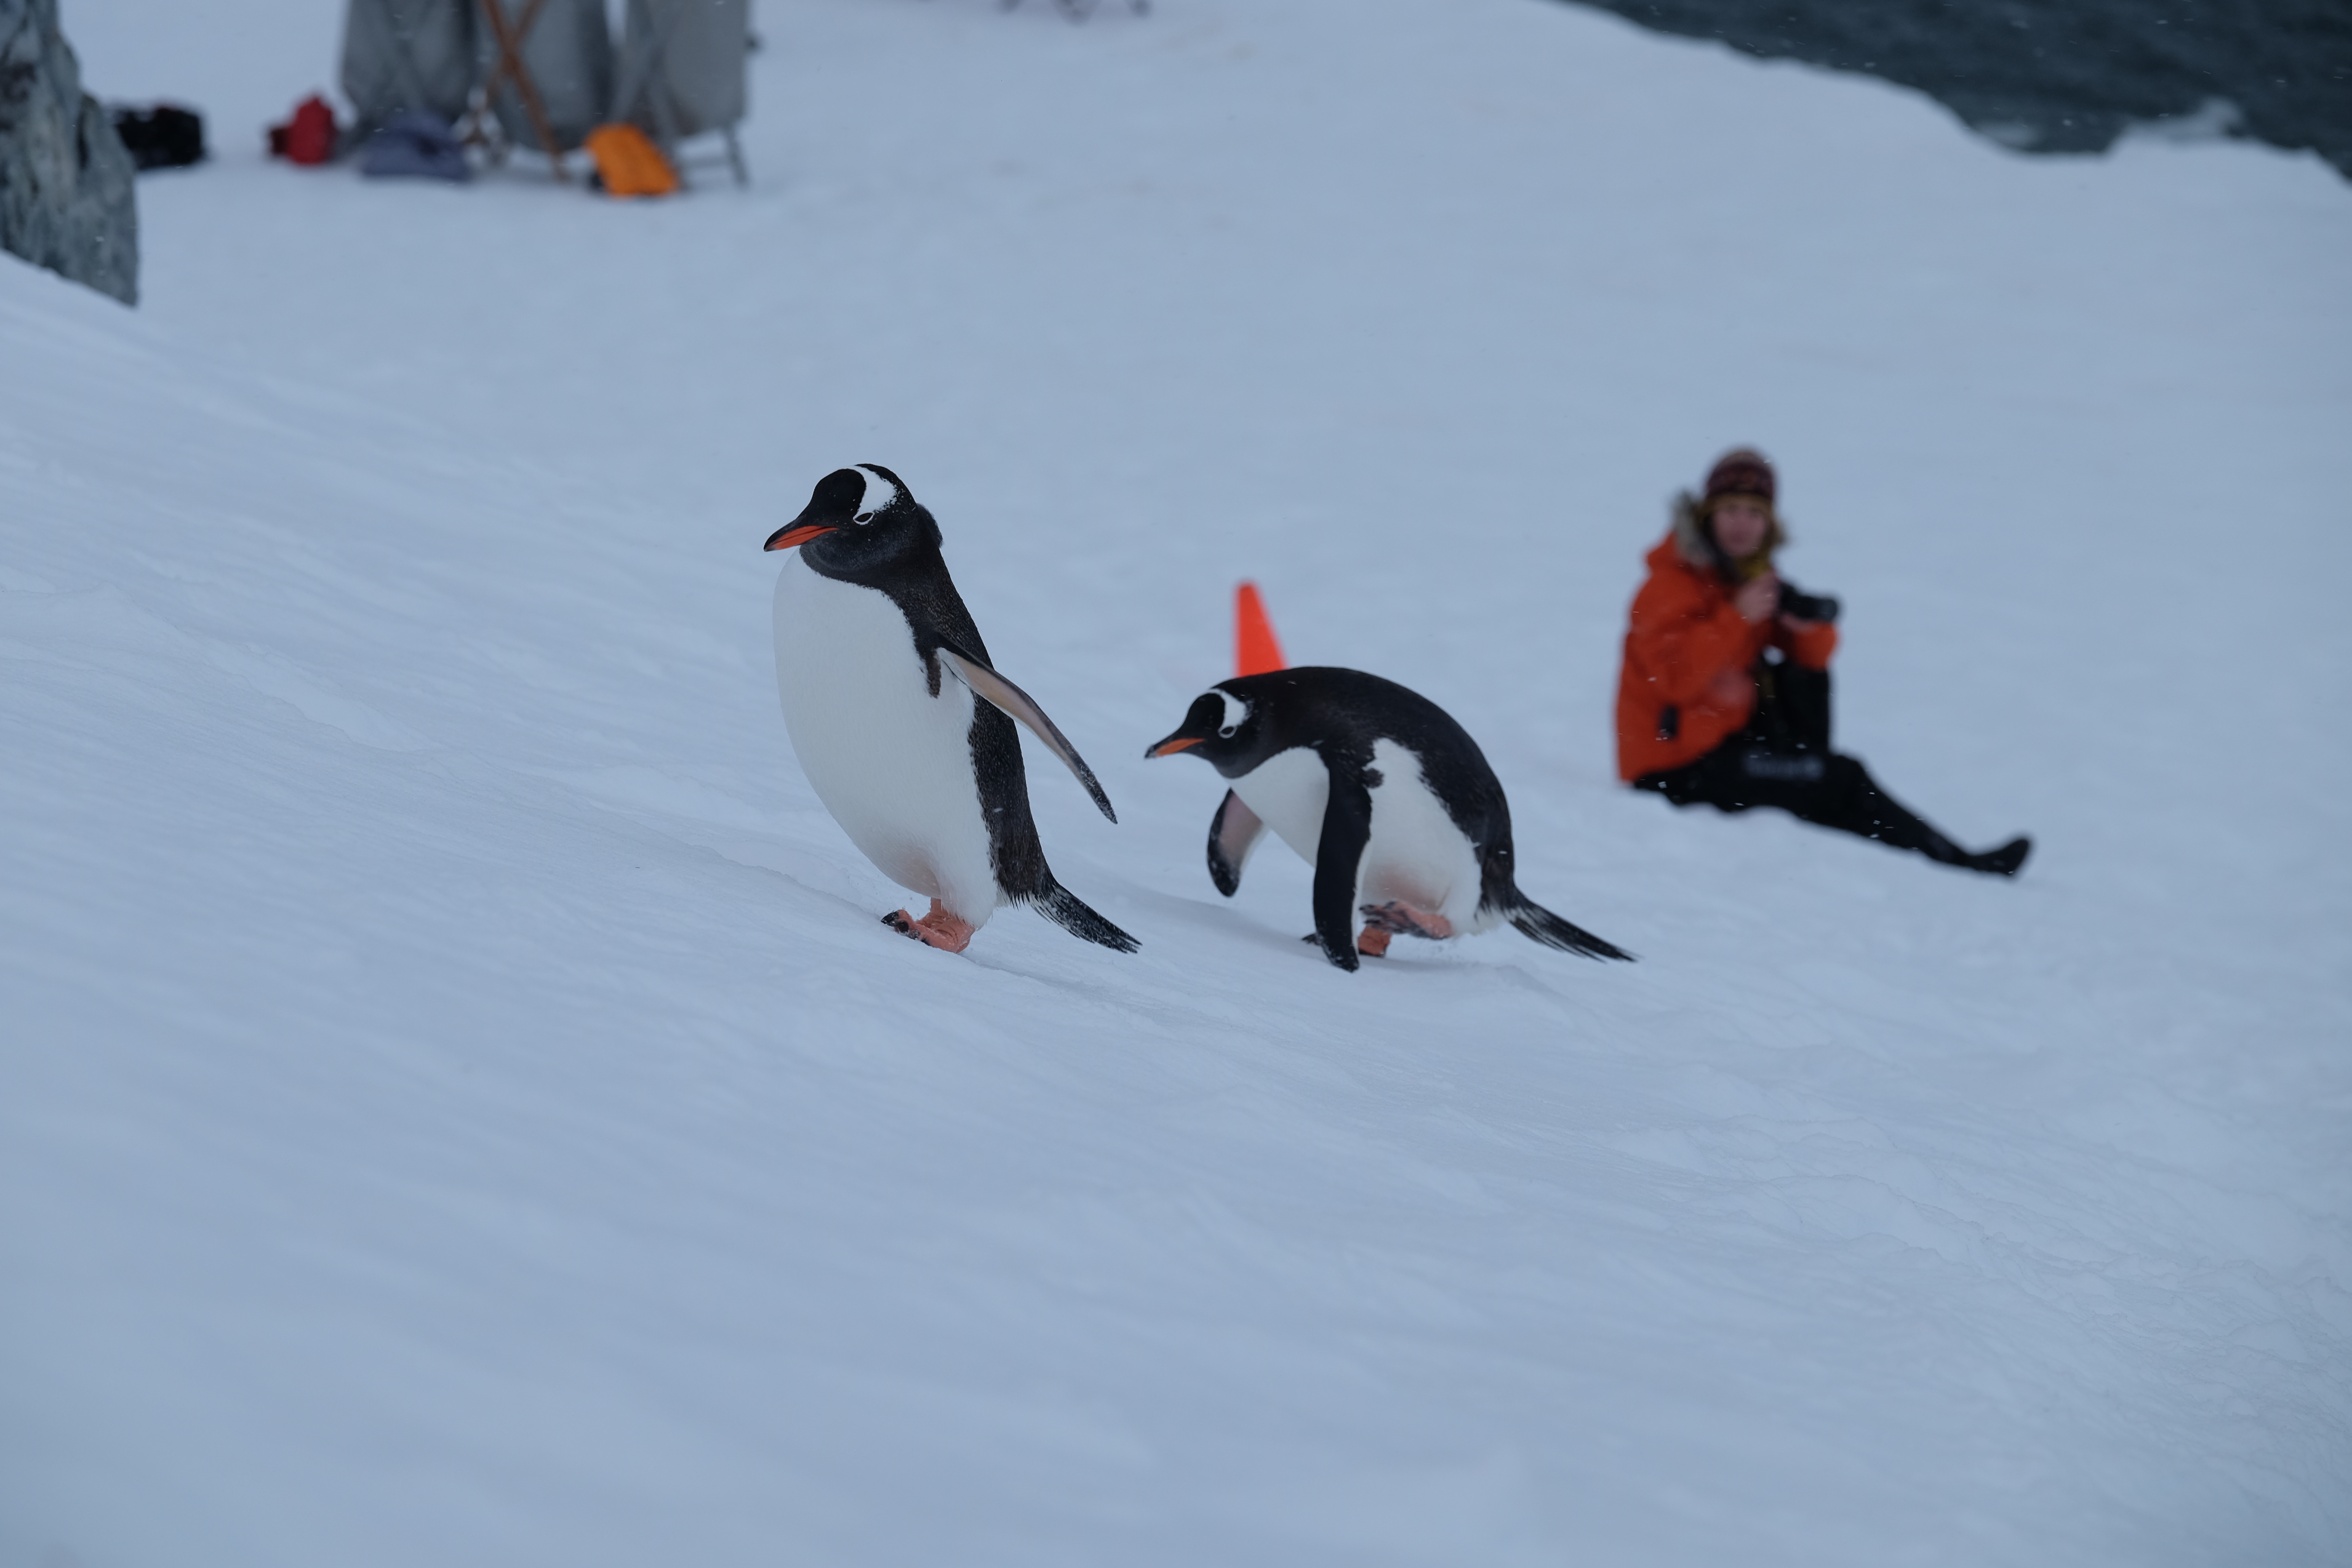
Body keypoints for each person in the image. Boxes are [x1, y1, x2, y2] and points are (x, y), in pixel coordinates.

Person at [1616, 448, 2030, 876]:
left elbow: (1815, 661)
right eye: (1730, 510)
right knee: (1841, 778)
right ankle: (1955, 862)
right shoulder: (1668, 587)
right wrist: (1737, 617)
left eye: (1754, 514)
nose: (1742, 524)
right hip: (1670, 773)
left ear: (1770, 525)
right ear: (1707, 518)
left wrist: (1804, 626)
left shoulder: (1742, 580)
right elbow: (1674, 681)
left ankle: (1930, 850)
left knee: (1808, 711)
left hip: (1722, 751)